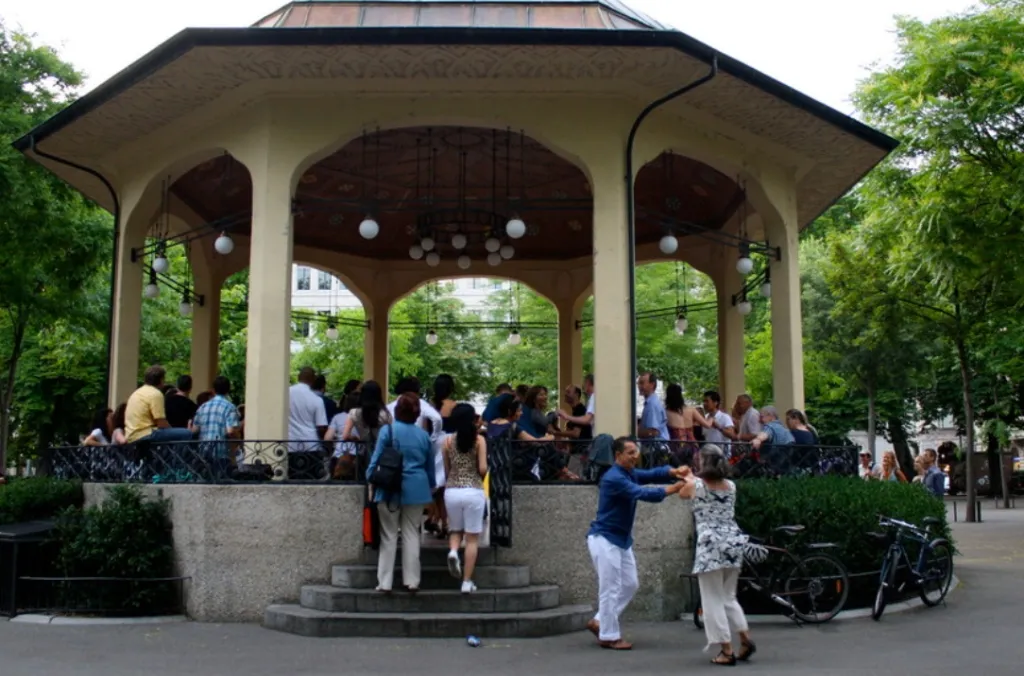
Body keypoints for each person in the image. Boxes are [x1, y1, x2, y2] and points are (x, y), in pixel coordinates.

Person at [585, 437, 686, 650]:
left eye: (636, 451)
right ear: (618, 455)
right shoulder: (613, 478)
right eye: (630, 452)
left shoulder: (628, 473)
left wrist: (672, 472)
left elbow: (649, 474)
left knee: (630, 584)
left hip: (620, 539)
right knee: (610, 589)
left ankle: (600, 621)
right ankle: (609, 636)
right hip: (604, 539)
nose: (635, 455)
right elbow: (641, 492)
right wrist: (673, 489)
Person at [677, 445, 756, 665]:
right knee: (729, 597)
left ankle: (726, 650)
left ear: (703, 462)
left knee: (712, 599)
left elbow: (683, 493)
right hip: (733, 542)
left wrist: (687, 476)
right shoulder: (731, 486)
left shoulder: (696, 485)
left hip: (710, 545)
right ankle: (744, 637)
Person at [367, 392, 435, 593]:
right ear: (416, 414)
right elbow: (430, 469)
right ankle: (412, 581)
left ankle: (385, 582)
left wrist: (371, 477)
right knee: (411, 534)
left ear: (396, 410)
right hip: (417, 489)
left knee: (388, 535)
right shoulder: (423, 436)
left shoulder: (388, 431)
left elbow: (376, 459)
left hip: (389, 488)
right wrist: (430, 487)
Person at [443, 403, 488, 594]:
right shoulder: (479, 441)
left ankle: (453, 551)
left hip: (452, 490)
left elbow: (446, 469)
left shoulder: (447, 442)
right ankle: (466, 582)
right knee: (471, 539)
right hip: (473, 491)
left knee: (455, 529)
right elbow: (483, 468)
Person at [124, 366, 194, 444]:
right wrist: (172, 430)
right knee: (187, 433)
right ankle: (176, 456)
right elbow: (161, 423)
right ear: (161, 380)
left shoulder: (136, 393)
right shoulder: (156, 394)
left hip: (131, 435)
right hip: (146, 433)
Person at [190, 375, 241, 479]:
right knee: (222, 484)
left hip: (203, 451)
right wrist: (239, 440)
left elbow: (194, 430)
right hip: (221, 452)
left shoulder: (203, 407)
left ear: (213, 390)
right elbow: (231, 431)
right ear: (228, 389)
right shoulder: (230, 407)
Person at [288, 366, 329, 479]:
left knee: (291, 478)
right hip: (311, 446)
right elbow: (321, 427)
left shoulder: (285, 394)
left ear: (298, 377)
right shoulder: (316, 399)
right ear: (314, 379)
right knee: (311, 479)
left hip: (289, 445)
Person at [636, 372, 669, 441]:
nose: (639, 386)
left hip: (655, 448)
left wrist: (635, 432)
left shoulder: (652, 405)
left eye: (642, 383)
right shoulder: (651, 402)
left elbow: (653, 432)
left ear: (652, 384)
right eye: (638, 383)